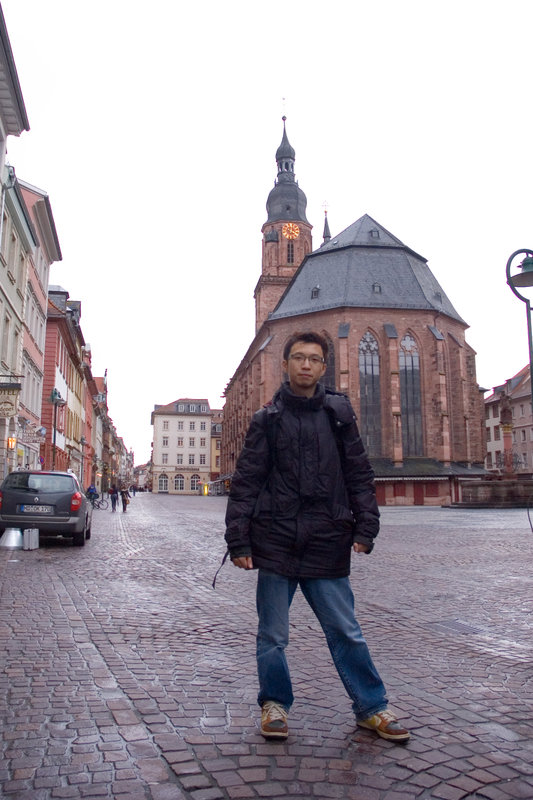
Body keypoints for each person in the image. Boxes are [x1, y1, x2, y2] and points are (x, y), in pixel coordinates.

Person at [224, 331, 410, 743]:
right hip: (276, 540)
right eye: (298, 358)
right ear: (285, 364)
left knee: (346, 631)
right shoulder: (267, 419)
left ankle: (371, 707)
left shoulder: (338, 414)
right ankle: (275, 705)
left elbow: (359, 474)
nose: (305, 365)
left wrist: (366, 526)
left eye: (313, 359)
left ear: (324, 367)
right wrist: (238, 540)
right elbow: (247, 482)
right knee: (273, 635)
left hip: (327, 539)